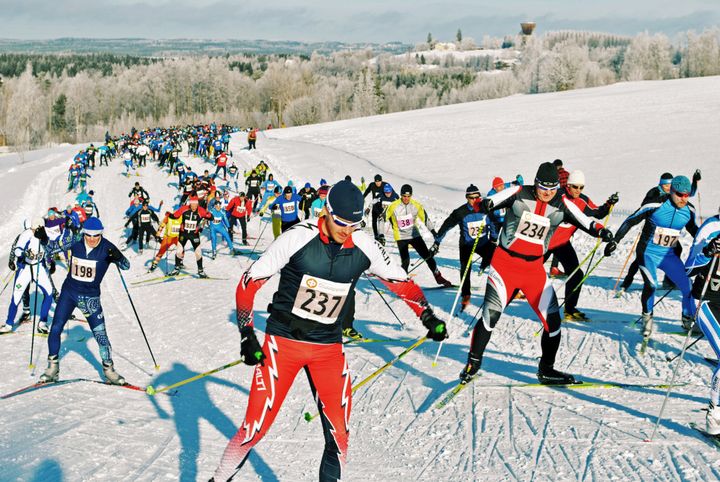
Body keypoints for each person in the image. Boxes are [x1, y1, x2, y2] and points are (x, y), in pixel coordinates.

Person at [211, 180, 448, 481]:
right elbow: (248, 283)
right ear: (326, 211)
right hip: (284, 342)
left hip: (328, 350)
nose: (347, 230)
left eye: (354, 224)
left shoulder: (364, 245)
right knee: (254, 428)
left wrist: (427, 316)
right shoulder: (296, 238)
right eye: (341, 222)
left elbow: (401, 282)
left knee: (339, 436)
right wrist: (247, 333)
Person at [461, 162, 613, 385]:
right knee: (490, 316)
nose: (547, 194)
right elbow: (492, 200)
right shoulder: (520, 193)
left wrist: (604, 233)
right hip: (505, 266)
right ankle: (473, 363)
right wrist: (485, 204)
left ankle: (547, 369)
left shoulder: (562, 204)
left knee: (553, 322)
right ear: (536, 183)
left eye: (552, 190)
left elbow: (586, 221)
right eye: (543, 189)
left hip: (534, 271)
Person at [38, 217, 130, 385]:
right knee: (56, 327)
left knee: (100, 335)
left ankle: (109, 370)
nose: (92, 239)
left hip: (90, 299)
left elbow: (126, 266)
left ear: (101, 234)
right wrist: (43, 240)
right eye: (89, 235)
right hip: (69, 293)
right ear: (84, 233)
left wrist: (118, 256)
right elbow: (50, 250)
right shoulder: (75, 241)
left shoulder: (107, 247)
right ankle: (52, 368)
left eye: (96, 236)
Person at [605, 175, 698, 338]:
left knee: (688, 286)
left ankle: (687, 318)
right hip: (647, 253)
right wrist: (615, 240)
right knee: (652, 284)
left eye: (687, 195)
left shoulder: (689, 211)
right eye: (680, 194)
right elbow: (630, 220)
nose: (684, 199)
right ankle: (647, 317)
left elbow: (695, 231)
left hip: (668, 256)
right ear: (672, 191)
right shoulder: (656, 204)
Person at [545, 170, 617, 321]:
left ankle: (569, 310)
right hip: (544, 241)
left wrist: (609, 204)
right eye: (575, 187)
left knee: (577, 275)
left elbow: (597, 213)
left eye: (581, 187)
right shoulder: (557, 196)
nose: (578, 190)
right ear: (568, 185)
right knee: (528, 269)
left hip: (561, 243)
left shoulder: (582, 200)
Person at [432, 184, 496, 311]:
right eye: (471, 198)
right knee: (465, 268)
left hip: (483, 243)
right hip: (467, 244)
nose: (474, 200)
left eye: (476, 197)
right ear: (467, 198)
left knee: (497, 260)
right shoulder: (461, 212)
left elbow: (493, 222)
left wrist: (494, 238)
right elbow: (447, 225)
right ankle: (466, 294)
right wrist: (437, 242)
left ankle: (498, 283)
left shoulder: (485, 209)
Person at [685, 213, 720, 434]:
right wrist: (707, 253)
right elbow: (687, 269)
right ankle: (714, 416)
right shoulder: (712, 231)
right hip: (705, 301)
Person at [385, 184, 452, 286]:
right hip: (401, 237)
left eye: (408, 196)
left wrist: (433, 232)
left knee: (427, 256)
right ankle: (403, 281)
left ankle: (438, 277)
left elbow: (425, 219)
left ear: (411, 195)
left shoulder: (416, 205)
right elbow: (382, 218)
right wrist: (380, 233)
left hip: (414, 235)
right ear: (401, 195)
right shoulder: (393, 206)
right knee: (406, 260)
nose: (406, 198)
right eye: (404, 196)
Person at [0, 219, 56, 334]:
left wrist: (51, 261)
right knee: (16, 296)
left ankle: (42, 323)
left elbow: (52, 246)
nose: (36, 230)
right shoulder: (26, 234)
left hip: (38, 268)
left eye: (39, 228)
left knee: (49, 293)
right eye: (34, 228)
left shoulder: (45, 233)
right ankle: (9, 324)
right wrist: (24, 253)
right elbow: (17, 250)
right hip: (25, 269)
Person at [169, 197, 213, 278]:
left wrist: (209, 214)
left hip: (194, 235)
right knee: (179, 251)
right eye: (193, 205)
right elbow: (175, 216)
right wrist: (169, 215)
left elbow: (211, 217)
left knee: (198, 252)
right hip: (183, 233)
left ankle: (201, 271)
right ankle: (176, 268)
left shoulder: (201, 210)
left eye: (196, 205)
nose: (194, 207)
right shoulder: (184, 209)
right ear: (190, 204)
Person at [362, 174, 391, 242]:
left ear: (381, 181)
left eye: (379, 181)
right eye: (376, 182)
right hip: (375, 204)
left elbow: (391, 192)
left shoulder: (385, 185)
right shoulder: (372, 185)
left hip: (383, 205)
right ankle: (376, 235)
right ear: (374, 181)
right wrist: (362, 198)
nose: (378, 183)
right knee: (374, 220)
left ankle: (381, 235)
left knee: (381, 220)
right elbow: (367, 192)